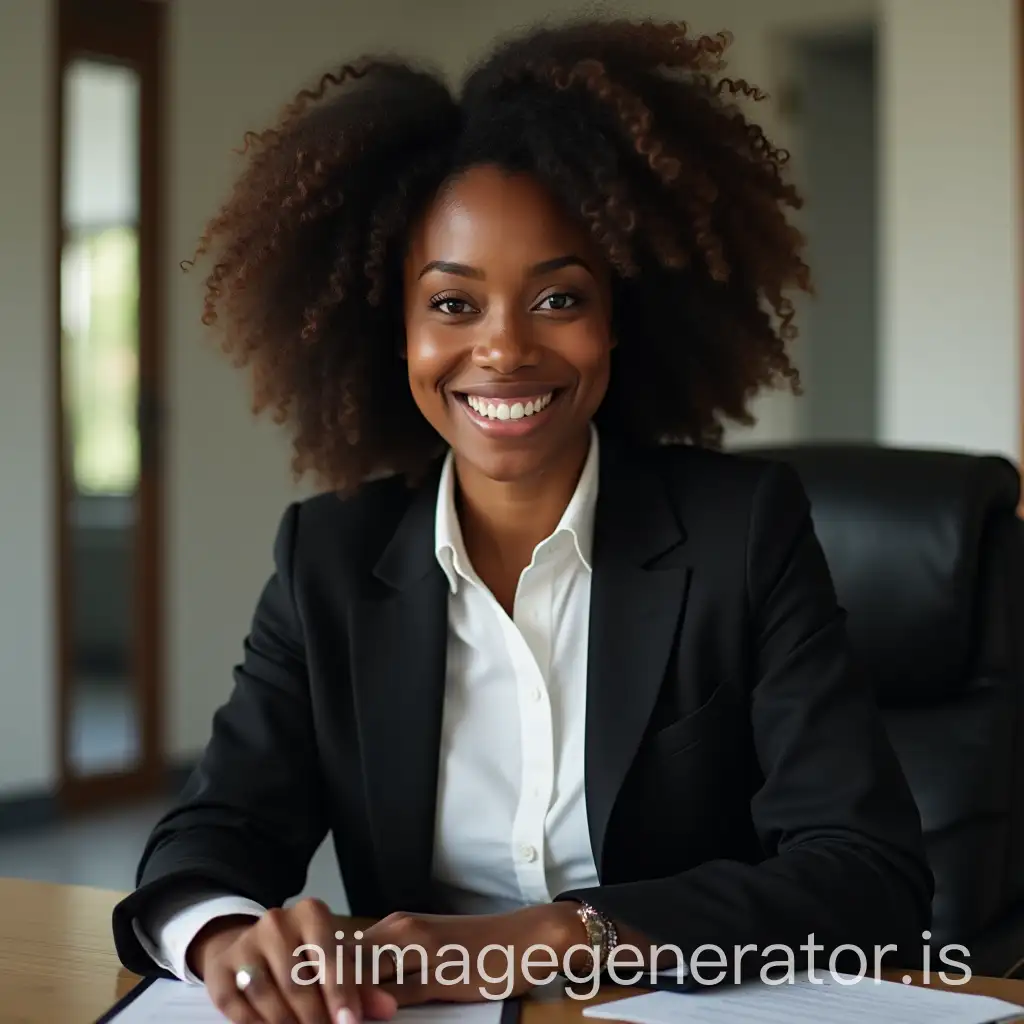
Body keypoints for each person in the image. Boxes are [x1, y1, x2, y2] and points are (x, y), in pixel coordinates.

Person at [111, 16, 933, 1024]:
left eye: (558, 298)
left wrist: (549, 935)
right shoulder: (328, 557)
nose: (502, 350)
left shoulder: (742, 535)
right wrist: (231, 936)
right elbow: (213, 830)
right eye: (453, 305)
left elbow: (872, 876)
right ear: (395, 328)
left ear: (619, 319)